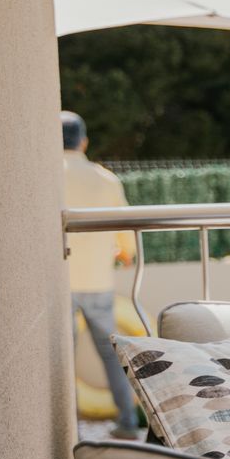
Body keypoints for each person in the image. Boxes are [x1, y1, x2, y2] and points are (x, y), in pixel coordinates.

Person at [62, 111, 142, 439]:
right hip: (97, 280)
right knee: (110, 354)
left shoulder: (47, 176)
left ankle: (70, 432)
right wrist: (123, 254)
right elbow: (126, 238)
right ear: (83, 142)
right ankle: (128, 423)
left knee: (62, 360)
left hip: (59, 283)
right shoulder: (106, 180)